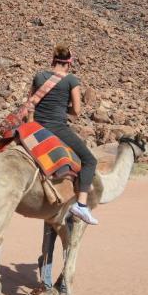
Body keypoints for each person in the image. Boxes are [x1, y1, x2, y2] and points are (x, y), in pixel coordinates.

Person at [30, 43, 99, 225]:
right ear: (68, 64)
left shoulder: (39, 76)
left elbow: (31, 103)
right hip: (56, 127)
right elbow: (76, 111)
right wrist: (62, 107)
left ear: (53, 61)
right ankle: (81, 206)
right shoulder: (71, 80)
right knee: (90, 160)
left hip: (36, 128)